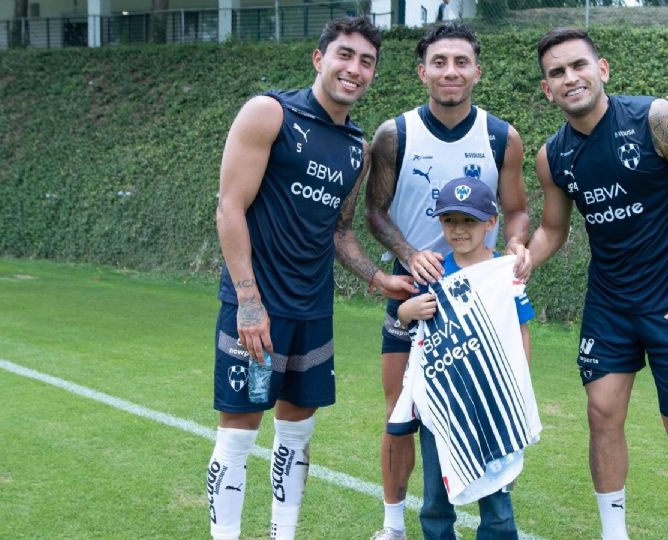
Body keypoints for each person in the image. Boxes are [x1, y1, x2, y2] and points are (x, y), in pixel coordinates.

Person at [207, 16, 415, 540]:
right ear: (320, 59)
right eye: (345, 55)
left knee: (297, 434)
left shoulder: (355, 149)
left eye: (367, 61)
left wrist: (377, 279)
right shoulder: (269, 113)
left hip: (313, 309)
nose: (355, 68)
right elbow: (230, 208)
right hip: (258, 309)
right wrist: (249, 301)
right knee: (239, 433)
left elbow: (340, 233)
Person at [527, 28, 668, 540]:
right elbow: (553, 229)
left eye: (578, 65)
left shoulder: (655, 119)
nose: (570, 78)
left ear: (603, 69)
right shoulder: (553, 157)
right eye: (557, 73)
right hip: (610, 306)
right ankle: (613, 535)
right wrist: (522, 261)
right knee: (602, 414)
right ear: (547, 90)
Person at [365, 22, 531, 540]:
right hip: (413, 292)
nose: (450, 71)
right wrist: (410, 255)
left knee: (482, 407)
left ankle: (487, 515)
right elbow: (374, 211)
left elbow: (518, 210)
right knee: (402, 415)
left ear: (477, 71)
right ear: (422, 72)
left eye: (461, 61)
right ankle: (395, 526)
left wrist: (516, 248)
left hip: (479, 289)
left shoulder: (501, 136)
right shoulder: (395, 134)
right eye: (439, 62)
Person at [394, 176, 537, 540]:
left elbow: (519, 332)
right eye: (450, 221)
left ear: (491, 222)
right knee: (435, 501)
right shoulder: (433, 271)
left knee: (498, 507)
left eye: (469, 221)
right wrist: (408, 310)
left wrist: (517, 389)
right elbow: (411, 325)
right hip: (443, 402)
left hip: (491, 400)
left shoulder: (505, 273)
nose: (458, 230)